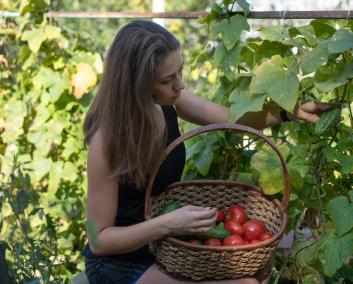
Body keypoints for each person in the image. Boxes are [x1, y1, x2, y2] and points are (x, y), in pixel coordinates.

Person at [82, 20, 333, 284]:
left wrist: (289, 112)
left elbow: (231, 120)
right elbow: (98, 240)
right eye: (168, 80)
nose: (180, 85)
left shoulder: (168, 100)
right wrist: (167, 224)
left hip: (171, 247)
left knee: (255, 270)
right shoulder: (107, 141)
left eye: (179, 71)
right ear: (138, 84)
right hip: (122, 263)